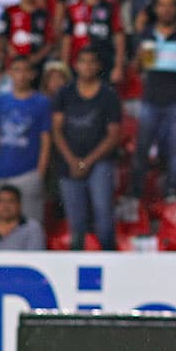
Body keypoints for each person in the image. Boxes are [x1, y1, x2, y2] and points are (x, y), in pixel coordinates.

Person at [130, 0, 176, 204]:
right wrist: (140, 55)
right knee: (142, 147)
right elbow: (138, 68)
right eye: (162, 4)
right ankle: (136, 193)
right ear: (156, 8)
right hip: (151, 99)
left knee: (175, 149)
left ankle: (172, 191)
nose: (166, 9)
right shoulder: (147, 33)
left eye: (170, 4)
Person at [51, 46, 121, 250]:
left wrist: (87, 161)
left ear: (98, 66)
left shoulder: (108, 95)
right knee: (76, 221)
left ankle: (109, 258)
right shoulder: (64, 93)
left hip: (100, 162)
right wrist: (73, 160)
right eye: (83, 62)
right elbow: (57, 130)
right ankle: (77, 262)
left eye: (92, 62)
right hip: (69, 162)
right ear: (76, 65)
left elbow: (113, 134)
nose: (87, 66)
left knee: (104, 217)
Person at [0, 56, 51, 222]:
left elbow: (46, 139)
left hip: (28, 173)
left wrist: (40, 173)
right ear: (10, 73)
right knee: (1, 223)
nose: (21, 75)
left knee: (31, 223)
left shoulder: (42, 102)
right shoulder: (2, 100)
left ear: (32, 74)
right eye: (16, 70)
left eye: (25, 70)